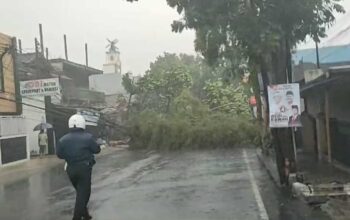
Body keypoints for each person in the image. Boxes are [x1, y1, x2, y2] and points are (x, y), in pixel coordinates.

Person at [57, 114, 101, 220]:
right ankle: (76, 217)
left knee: (81, 193)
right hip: (84, 170)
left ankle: (85, 215)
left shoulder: (63, 139)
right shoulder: (88, 137)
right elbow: (97, 150)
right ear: (82, 124)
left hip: (70, 170)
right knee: (84, 194)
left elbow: (59, 154)